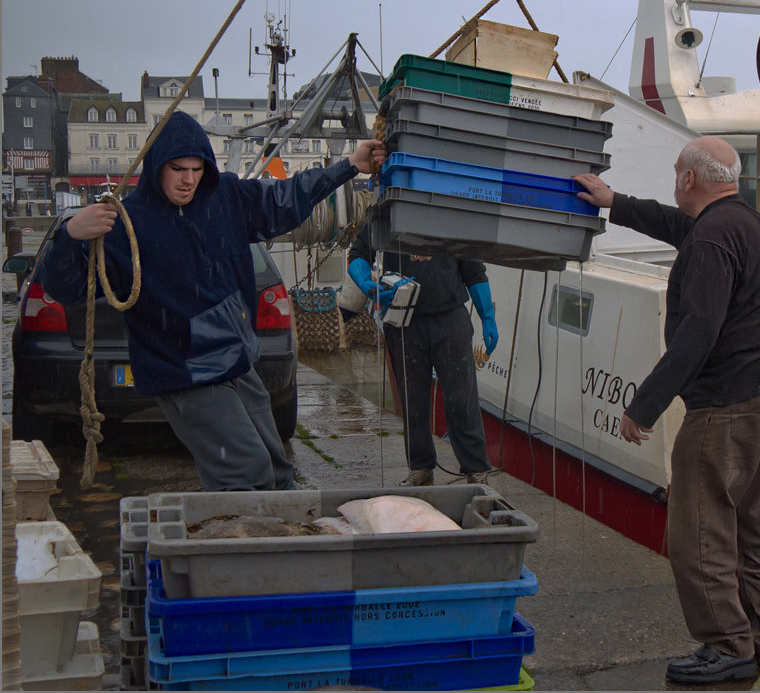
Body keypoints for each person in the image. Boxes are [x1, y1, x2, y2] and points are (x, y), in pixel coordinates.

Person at [37, 111, 386, 491]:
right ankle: (243, 544)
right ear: (157, 166)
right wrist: (71, 236)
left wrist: (350, 166)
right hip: (185, 372)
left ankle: (286, 540)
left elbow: (288, 197)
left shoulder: (228, 198)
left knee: (275, 468)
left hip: (236, 361)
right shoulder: (126, 226)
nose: (188, 179)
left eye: (196, 168)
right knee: (245, 473)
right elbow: (65, 288)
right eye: (177, 169)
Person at [573, 135, 760, 685]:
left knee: (698, 528)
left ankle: (726, 644)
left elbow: (698, 333)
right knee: (755, 526)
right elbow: (681, 228)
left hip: (727, 403)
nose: (675, 178)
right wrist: (614, 201)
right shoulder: (742, 223)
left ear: (691, 180)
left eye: (677, 170)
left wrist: (644, 406)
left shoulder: (711, 240)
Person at [347, 217, 497, 487]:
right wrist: (365, 284)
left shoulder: (450, 211)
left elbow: (473, 269)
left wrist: (487, 316)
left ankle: (476, 468)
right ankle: (421, 467)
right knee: (412, 401)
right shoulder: (386, 210)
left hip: (450, 318)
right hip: (404, 321)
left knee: (462, 399)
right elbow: (359, 253)